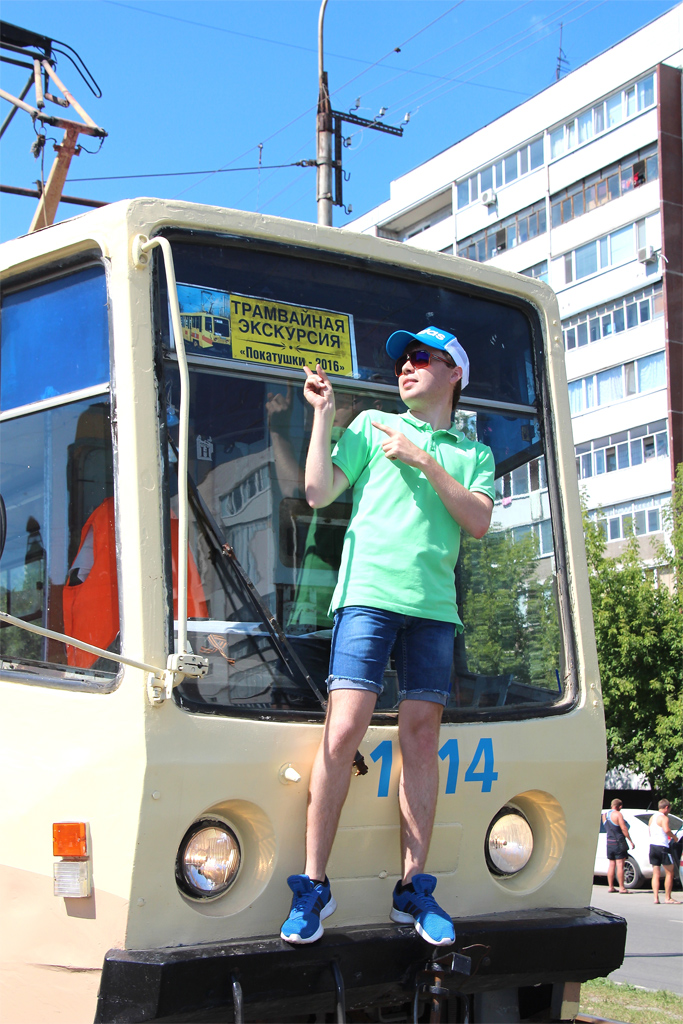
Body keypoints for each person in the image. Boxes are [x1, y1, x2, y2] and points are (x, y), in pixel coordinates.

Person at [280, 326, 495, 946]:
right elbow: (318, 492)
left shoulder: (470, 452)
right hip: (368, 599)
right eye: (403, 357)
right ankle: (313, 888)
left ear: (454, 372)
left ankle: (413, 890)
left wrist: (425, 461)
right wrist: (322, 416)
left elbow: (478, 522)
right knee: (343, 730)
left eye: (422, 357)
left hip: (434, 611)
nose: (407, 365)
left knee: (421, 738)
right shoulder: (373, 424)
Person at [649, 798, 681, 904]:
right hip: (662, 847)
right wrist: (674, 837)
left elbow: (650, 831)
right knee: (670, 872)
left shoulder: (652, 818)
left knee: (656, 873)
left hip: (653, 846)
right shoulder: (664, 818)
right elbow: (666, 830)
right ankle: (667, 897)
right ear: (666, 807)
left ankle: (655, 898)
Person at [602, 799, 635, 893]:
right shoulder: (618, 814)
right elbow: (624, 828)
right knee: (620, 865)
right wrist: (630, 840)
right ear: (619, 806)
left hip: (609, 843)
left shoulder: (604, 816)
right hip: (618, 842)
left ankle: (611, 887)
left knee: (611, 864)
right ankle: (622, 887)